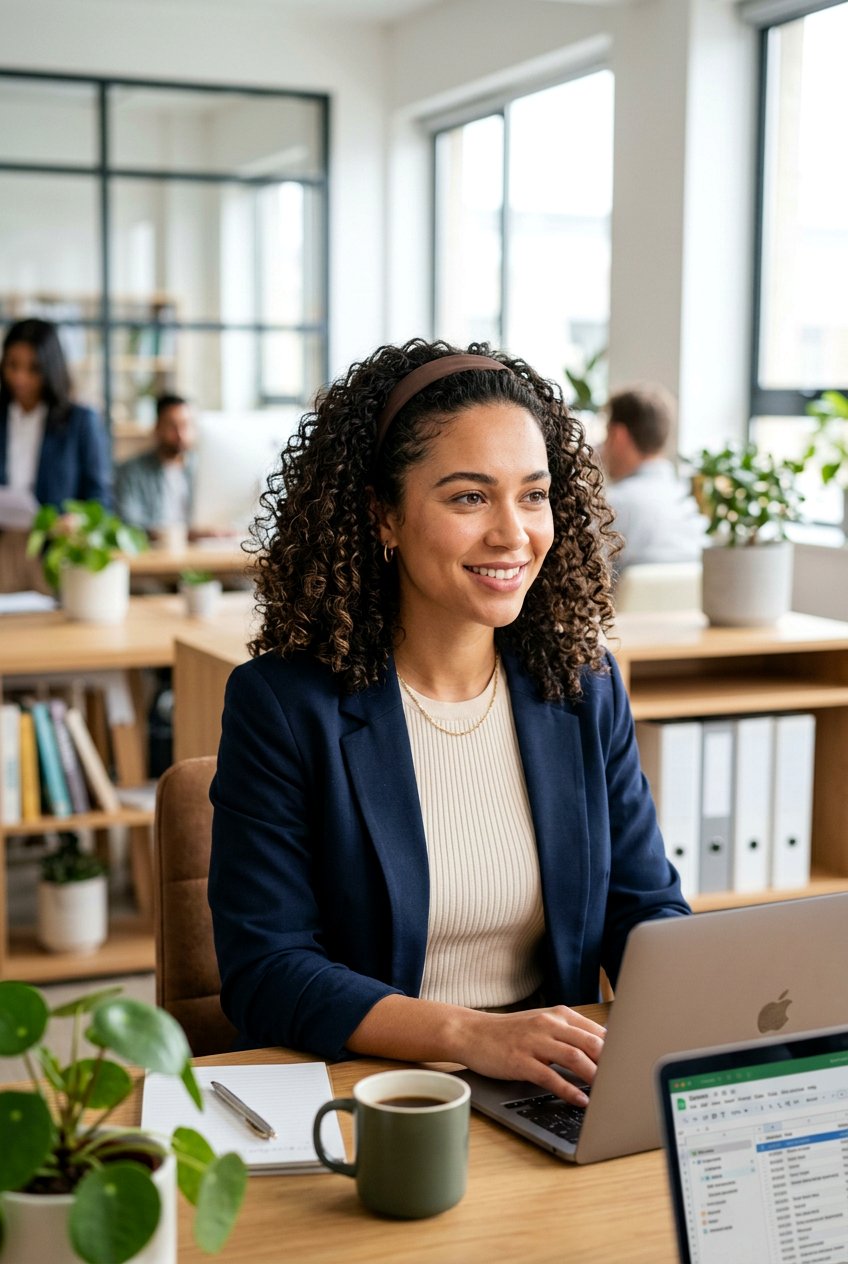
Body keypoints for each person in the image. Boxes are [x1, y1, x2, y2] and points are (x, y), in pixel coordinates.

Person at [208, 339, 689, 1106]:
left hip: (546, 1088)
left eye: (533, 495)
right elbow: (267, 972)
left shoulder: (583, 686)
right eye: (469, 498)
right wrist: (473, 1036)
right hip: (370, 1094)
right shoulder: (283, 707)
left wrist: (701, 1002)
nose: (512, 533)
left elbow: (644, 906)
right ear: (384, 515)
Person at [0, 318, 112, 590]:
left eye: (33, 369)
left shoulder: (80, 421)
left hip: (54, 551)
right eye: (12, 365)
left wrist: (78, 520)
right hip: (4, 546)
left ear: (50, 368)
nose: (20, 378)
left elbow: (101, 497)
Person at [599, 383, 705, 573]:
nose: (602, 447)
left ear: (618, 435)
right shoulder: (689, 506)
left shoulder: (612, 506)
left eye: (606, 434)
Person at [114, 393, 196, 543]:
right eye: (172, 426)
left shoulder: (201, 471)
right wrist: (179, 534)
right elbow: (129, 522)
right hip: (153, 550)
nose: (180, 434)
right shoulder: (131, 471)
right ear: (157, 427)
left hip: (200, 548)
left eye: (185, 425)